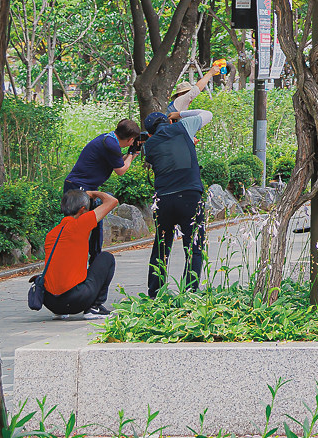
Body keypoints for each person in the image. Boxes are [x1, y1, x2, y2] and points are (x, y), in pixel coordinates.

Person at [142, 61, 223, 295]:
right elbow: (207, 114)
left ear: (149, 132)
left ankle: (155, 293)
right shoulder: (183, 127)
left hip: (164, 200)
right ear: (168, 120)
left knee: (161, 246)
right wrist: (179, 115)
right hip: (190, 195)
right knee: (194, 246)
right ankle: (189, 292)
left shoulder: (148, 146)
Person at [62, 117, 141, 265]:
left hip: (83, 187)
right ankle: (73, 262)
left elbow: (118, 161)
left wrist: (130, 153)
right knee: (77, 229)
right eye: (133, 141)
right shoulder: (111, 145)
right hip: (78, 187)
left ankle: (94, 260)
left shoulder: (109, 139)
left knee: (95, 223)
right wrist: (132, 154)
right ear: (130, 139)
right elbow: (121, 170)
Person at [40, 188, 118, 317]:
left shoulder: (51, 234)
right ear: (82, 210)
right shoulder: (81, 223)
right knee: (106, 258)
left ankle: (60, 312)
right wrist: (93, 194)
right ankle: (94, 308)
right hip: (75, 300)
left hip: (50, 302)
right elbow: (112, 201)